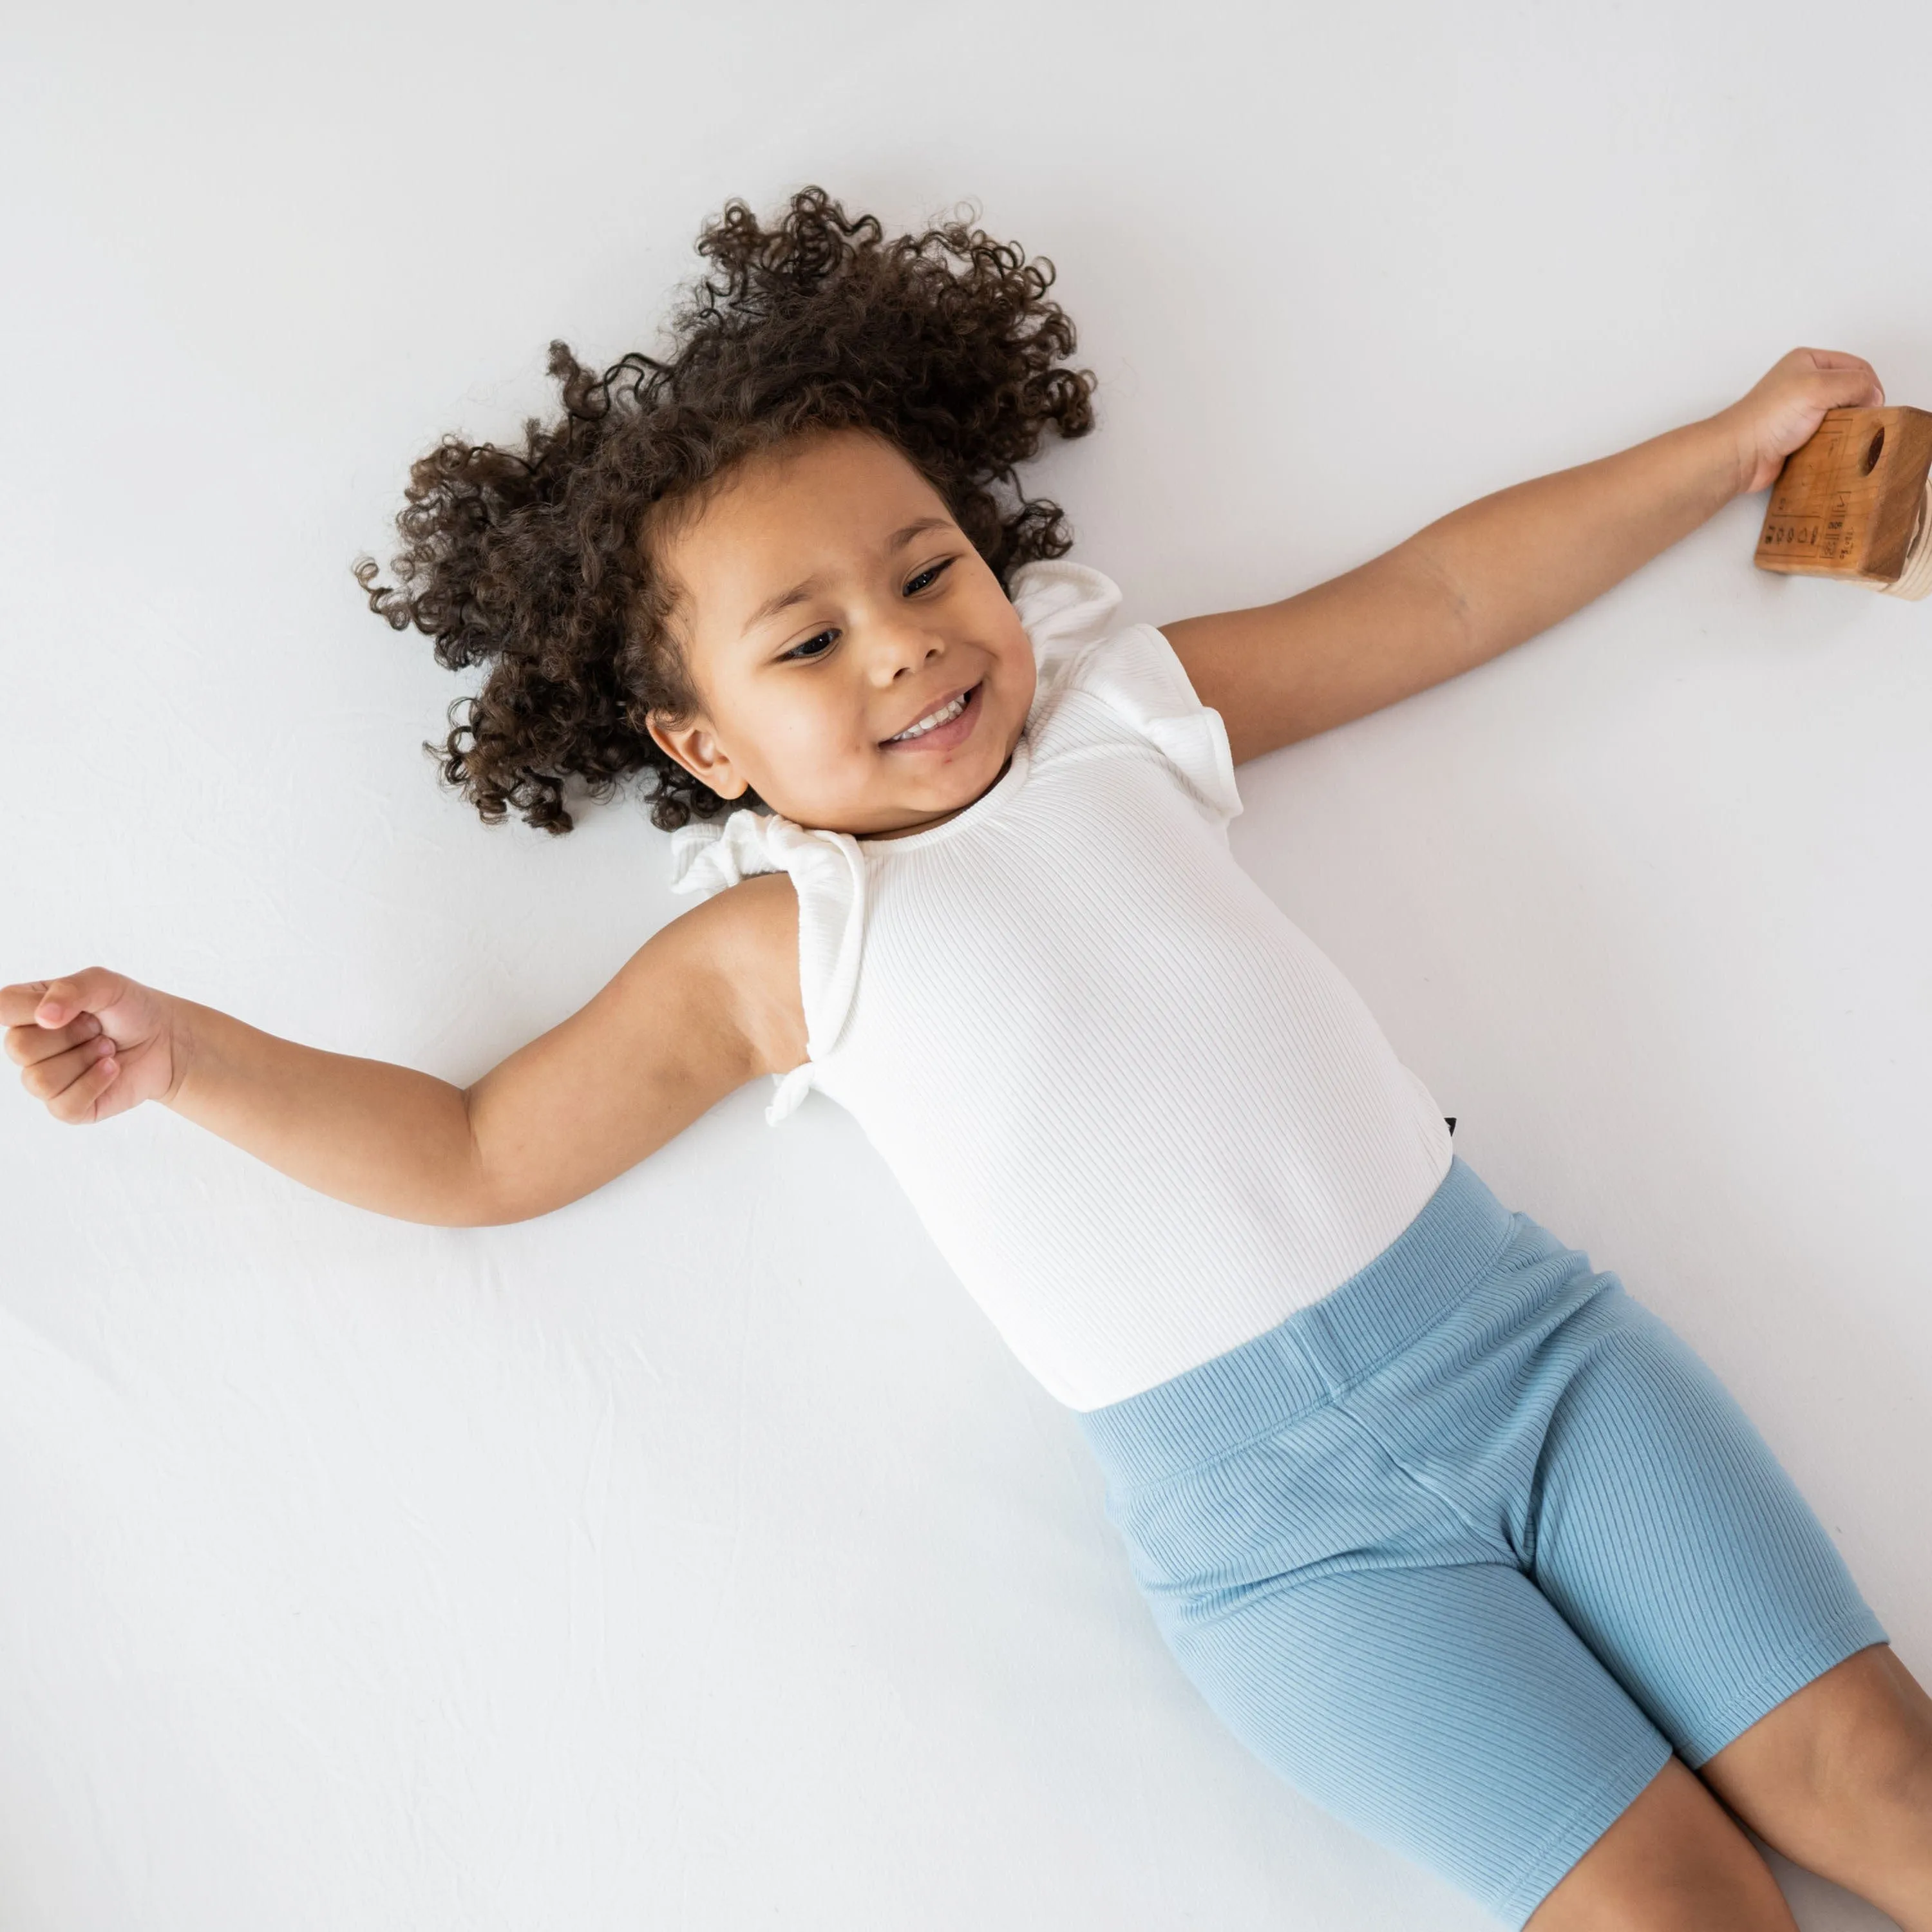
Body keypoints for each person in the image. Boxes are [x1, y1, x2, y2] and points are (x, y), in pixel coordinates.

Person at [6, 188, 1929, 1929]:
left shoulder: (1124, 723)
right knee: (1682, 1914)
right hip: (1288, 1560)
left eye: (927, 577)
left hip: (1541, 1364)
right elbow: (479, 1149)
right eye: (809, 643)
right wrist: (194, 1058)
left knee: (1885, 1789)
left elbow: (1428, 604)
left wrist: (1721, 454)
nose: (906, 653)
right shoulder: (781, 947)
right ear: (708, 750)